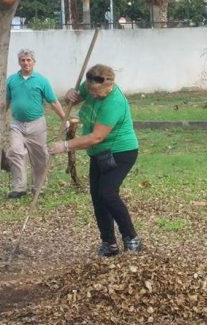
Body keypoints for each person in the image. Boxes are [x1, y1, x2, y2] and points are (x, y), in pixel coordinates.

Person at [48, 64, 141, 257]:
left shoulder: (114, 103)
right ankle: (109, 243)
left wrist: (65, 146)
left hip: (121, 152)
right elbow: (77, 97)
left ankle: (131, 238)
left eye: (99, 93)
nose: (94, 96)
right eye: (91, 92)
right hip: (98, 153)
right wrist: (71, 95)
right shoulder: (90, 83)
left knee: (107, 193)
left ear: (110, 85)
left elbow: (96, 136)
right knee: (98, 199)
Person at [6, 49, 66, 199]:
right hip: (17, 124)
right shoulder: (11, 80)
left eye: (28, 60)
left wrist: (64, 119)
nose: (25, 63)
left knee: (40, 157)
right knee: (15, 152)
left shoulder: (42, 80)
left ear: (33, 62)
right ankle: (19, 188)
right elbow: (6, 101)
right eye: (23, 60)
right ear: (19, 62)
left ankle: (39, 188)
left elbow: (53, 101)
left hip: (37, 124)